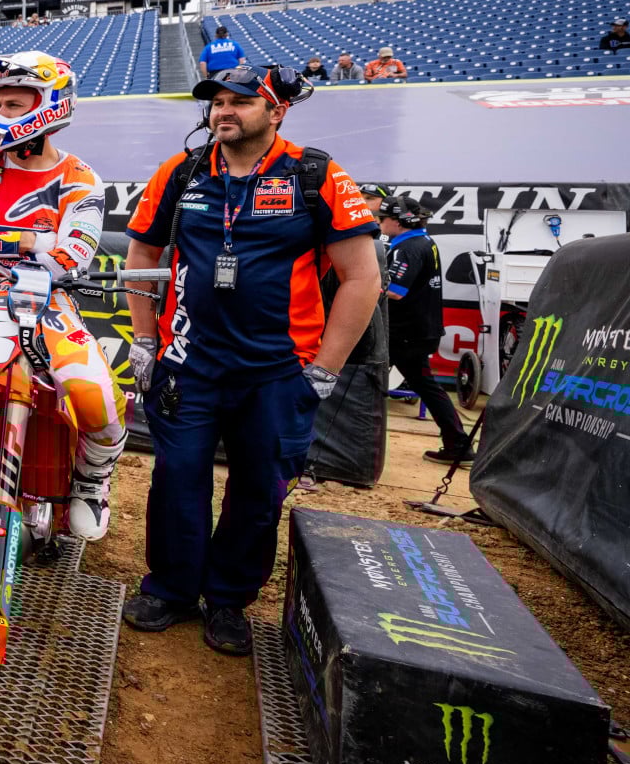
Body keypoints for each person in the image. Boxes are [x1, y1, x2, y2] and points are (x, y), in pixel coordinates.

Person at [121, 64, 382, 655]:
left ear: (277, 110)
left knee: (259, 490)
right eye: (216, 102)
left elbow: (361, 279)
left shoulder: (315, 173)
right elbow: (142, 252)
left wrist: (323, 371)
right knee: (176, 478)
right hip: (189, 364)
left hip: (277, 373)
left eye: (240, 101)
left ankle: (229, 599)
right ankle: (171, 588)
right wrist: (143, 342)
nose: (223, 111)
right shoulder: (182, 170)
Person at [0, 52, 125, 541]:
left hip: (48, 305)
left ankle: (91, 480)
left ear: (50, 104)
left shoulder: (81, 180)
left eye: (13, 104)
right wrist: (27, 241)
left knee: (93, 396)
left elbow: (70, 257)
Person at [379, 197, 472, 463]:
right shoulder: (425, 241)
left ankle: (460, 446)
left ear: (397, 222)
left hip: (405, 332)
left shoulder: (406, 248)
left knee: (359, 379)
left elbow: (395, 292)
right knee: (426, 386)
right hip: (418, 329)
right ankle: (459, 445)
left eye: (383, 219)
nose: (380, 223)